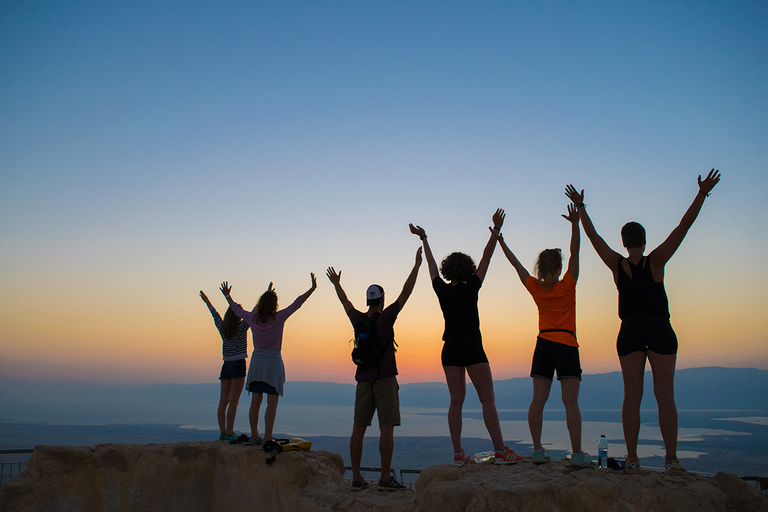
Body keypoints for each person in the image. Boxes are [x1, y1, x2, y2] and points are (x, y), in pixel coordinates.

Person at [565, 169, 721, 473]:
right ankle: (671, 459)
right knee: (665, 394)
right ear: (644, 240)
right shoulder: (657, 260)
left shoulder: (617, 264)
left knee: (632, 396)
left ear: (624, 242)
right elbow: (683, 227)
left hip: (630, 331)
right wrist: (701, 193)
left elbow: (594, 238)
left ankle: (633, 458)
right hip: (660, 328)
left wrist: (581, 208)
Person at [409, 209, 524, 466]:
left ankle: (458, 452)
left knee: (456, 401)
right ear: (468, 269)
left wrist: (424, 239)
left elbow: (431, 267)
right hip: (472, 346)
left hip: (450, 348)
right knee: (487, 399)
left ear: (450, 270)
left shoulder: (441, 289)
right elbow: (487, 257)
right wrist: (495, 231)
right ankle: (501, 450)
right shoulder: (473, 285)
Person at [490, 204, 595, 468]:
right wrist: (575, 222)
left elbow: (516, 264)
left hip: (544, 343)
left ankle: (537, 449)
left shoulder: (536, 288)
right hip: (567, 343)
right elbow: (575, 251)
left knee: (538, 400)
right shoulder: (568, 284)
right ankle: (578, 453)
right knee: (571, 402)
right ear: (558, 268)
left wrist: (500, 239)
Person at [326, 247, 422, 492]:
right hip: (385, 379)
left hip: (362, 380)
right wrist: (417, 265)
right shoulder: (386, 316)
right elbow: (407, 292)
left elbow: (344, 302)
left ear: (368, 301)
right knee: (386, 428)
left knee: (358, 428)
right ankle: (385, 478)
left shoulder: (358, 319)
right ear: (382, 300)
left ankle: (356, 477)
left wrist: (337, 283)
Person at [220, 274, 317, 448]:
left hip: (257, 363)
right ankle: (268, 438)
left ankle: (255, 436)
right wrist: (312, 288)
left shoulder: (252, 318)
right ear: (274, 305)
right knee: (272, 403)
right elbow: (297, 303)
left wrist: (227, 295)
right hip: (273, 363)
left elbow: (235, 309)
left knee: (255, 401)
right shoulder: (279, 317)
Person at [199, 290, 249, 441]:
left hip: (226, 365)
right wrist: (266, 293)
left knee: (223, 401)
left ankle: (223, 432)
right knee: (234, 401)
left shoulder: (222, 327)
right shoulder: (241, 328)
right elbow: (252, 313)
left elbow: (214, 313)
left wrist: (207, 301)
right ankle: (229, 432)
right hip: (238, 364)